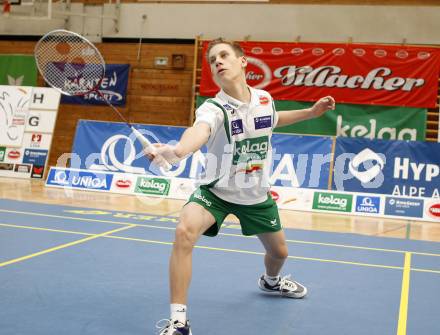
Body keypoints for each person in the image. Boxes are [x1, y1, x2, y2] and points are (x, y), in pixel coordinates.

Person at [149, 38, 335, 335]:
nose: (218, 62)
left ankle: (271, 281)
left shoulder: (263, 99)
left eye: (224, 55)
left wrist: (310, 114)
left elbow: (273, 119)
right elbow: (198, 131)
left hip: (256, 195)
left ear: (243, 62)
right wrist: (178, 151)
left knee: (280, 254)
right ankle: (179, 321)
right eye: (212, 60)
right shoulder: (214, 108)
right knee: (184, 232)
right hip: (216, 193)